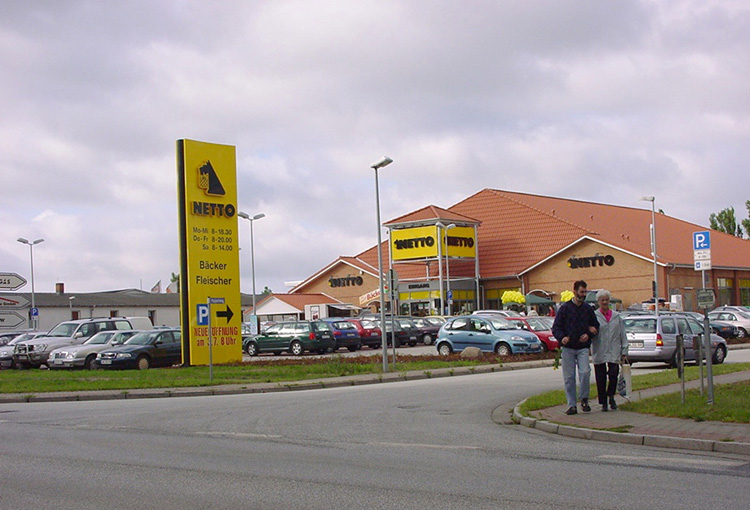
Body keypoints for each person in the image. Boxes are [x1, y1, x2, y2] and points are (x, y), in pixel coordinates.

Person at [552, 280, 599, 415]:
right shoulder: (565, 309)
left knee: (585, 372)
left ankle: (584, 398)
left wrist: (589, 334)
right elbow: (556, 328)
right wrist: (562, 337)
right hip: (568, 348)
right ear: (575, 292)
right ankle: (572, 405)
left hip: (583, 347)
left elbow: (595, 326)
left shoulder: (588, 309)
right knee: (569, 378)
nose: (583, 295)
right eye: (581, 292)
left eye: (585, 292)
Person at [592, 289, 628, 412]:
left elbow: (622, 334)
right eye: (602, 300)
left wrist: (624, 350)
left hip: (614, 349)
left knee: (613, 375)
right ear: (598, 302)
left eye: (606, 300)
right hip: (600, 349)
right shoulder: (594, 316)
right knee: (600, 378)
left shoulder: (616, 316)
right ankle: (603, 402)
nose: (605, 302)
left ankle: (611, 396)